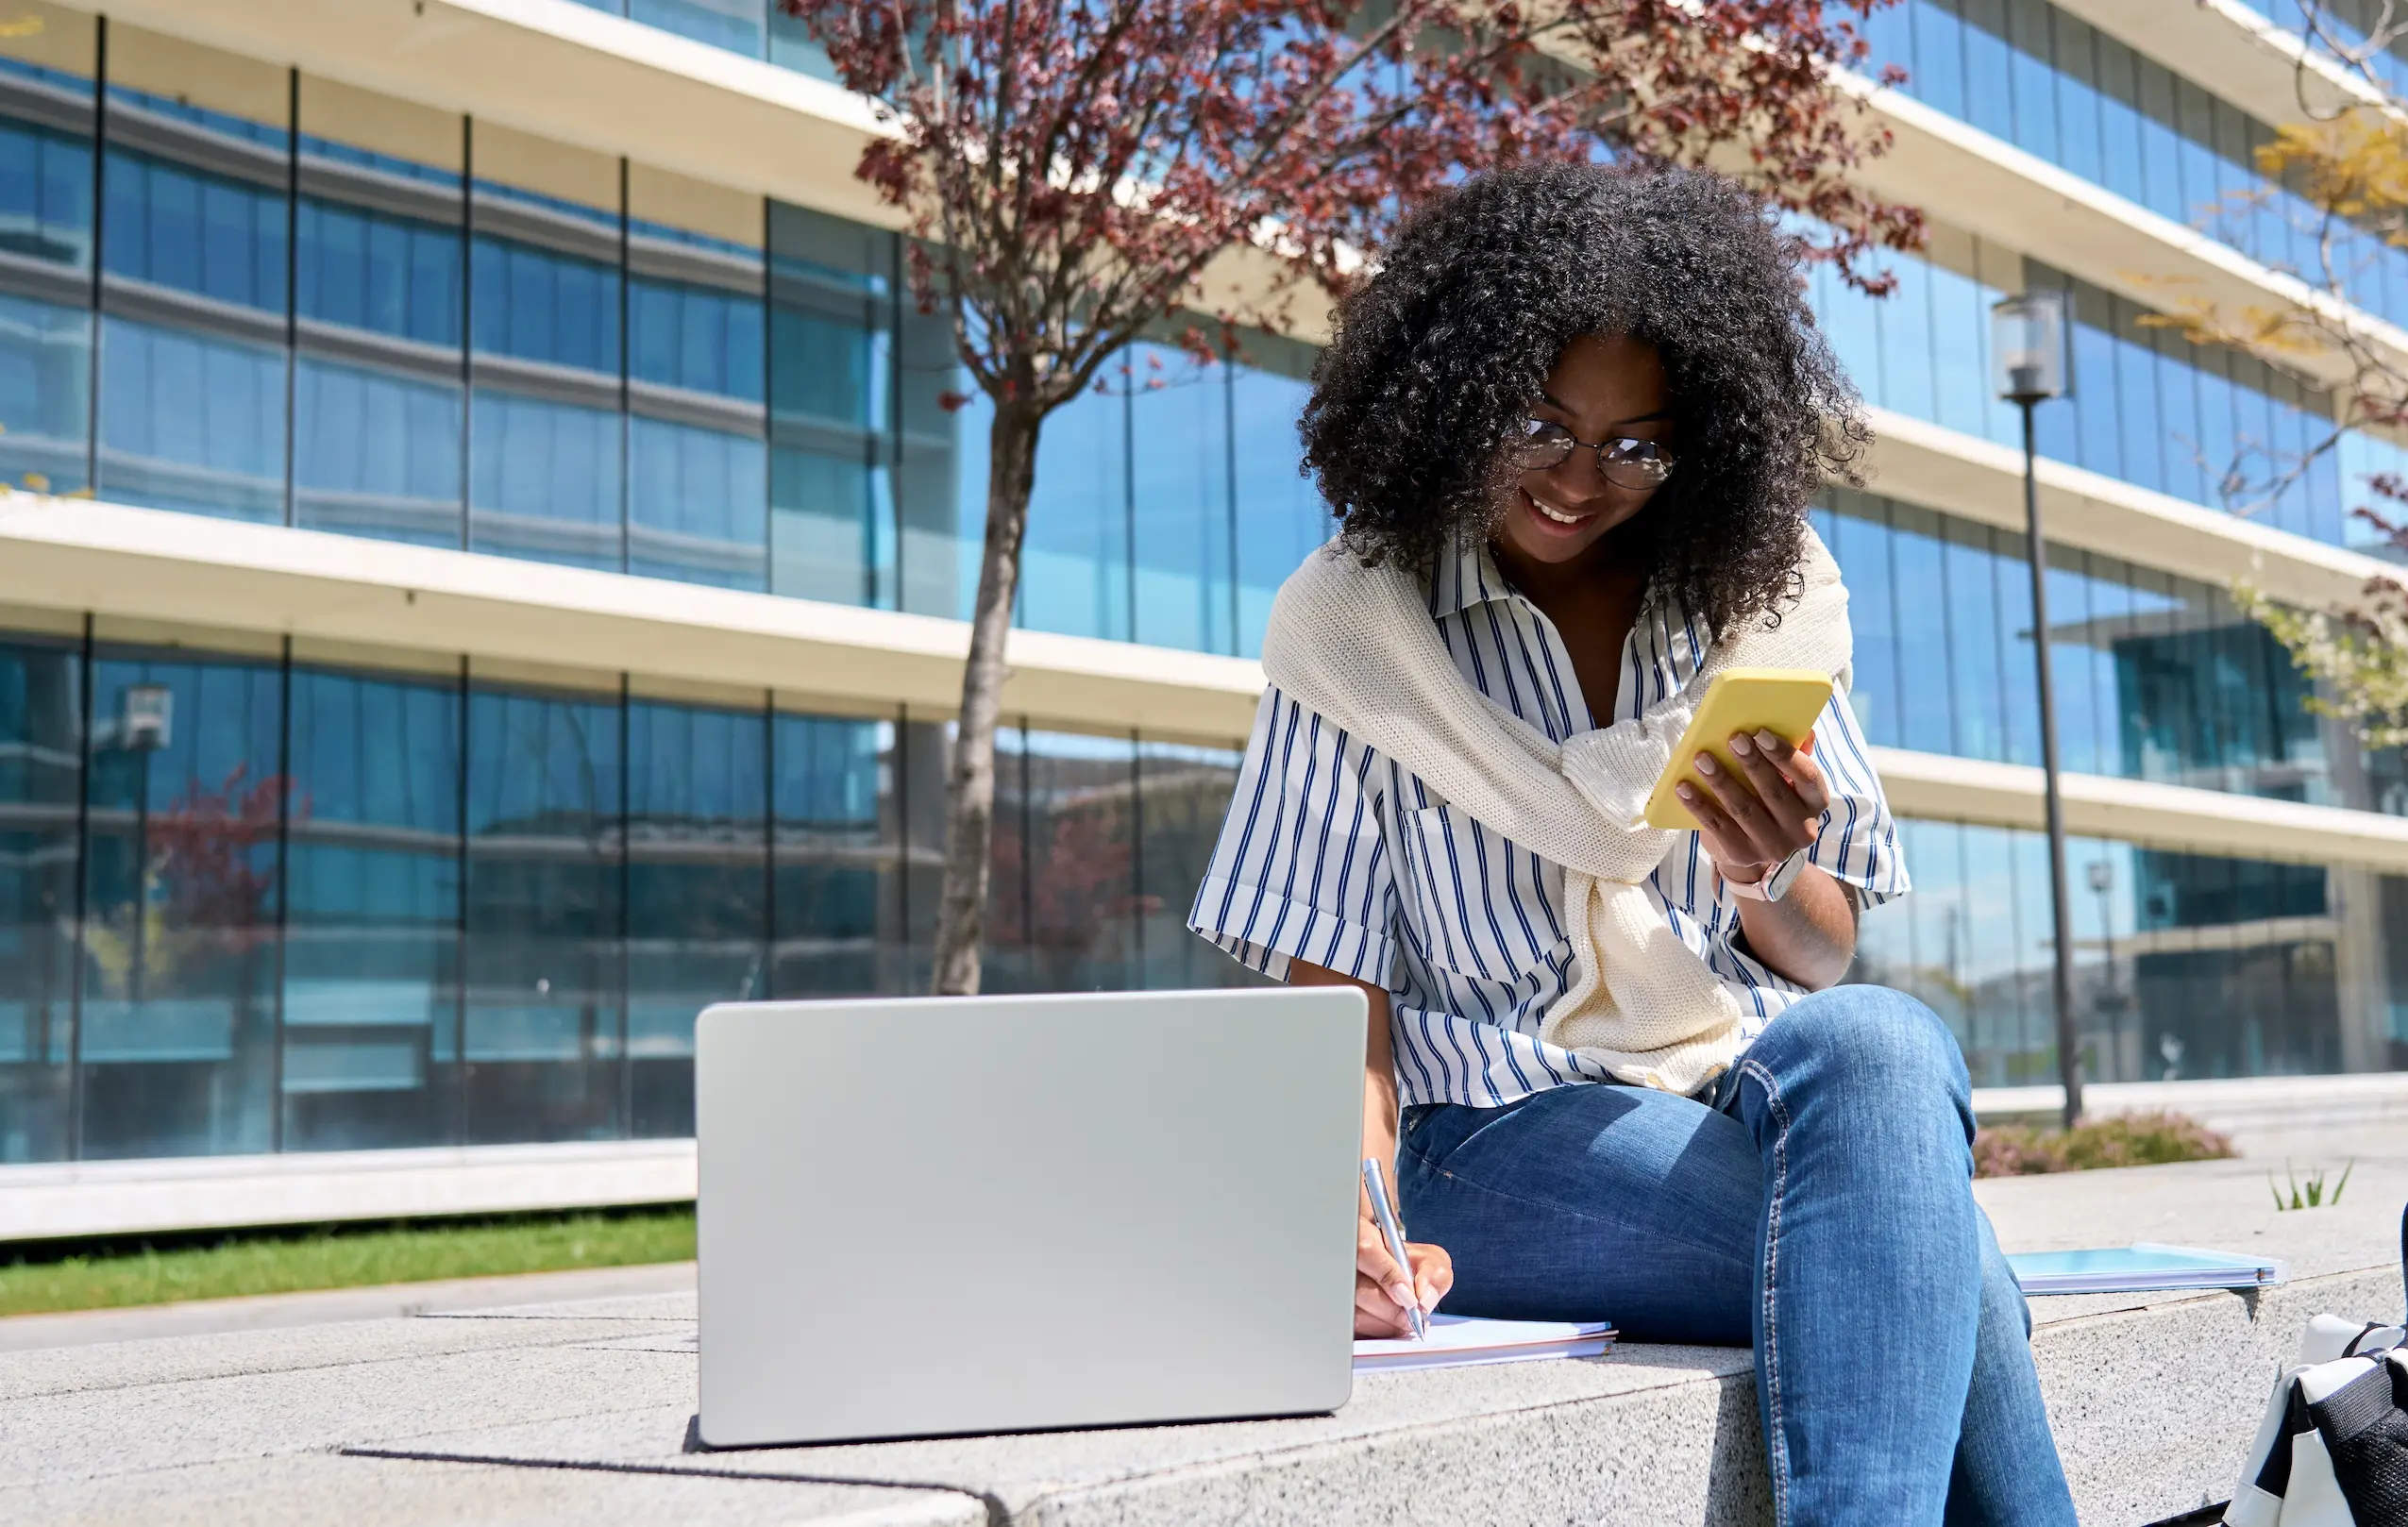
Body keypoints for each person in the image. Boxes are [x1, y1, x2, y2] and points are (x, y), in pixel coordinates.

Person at [1187, 162, 2077, 1527]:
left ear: (1698, 441)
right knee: (1931, 1260)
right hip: (1488, 1135)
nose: (1577, 479)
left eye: (1634, 443)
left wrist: (1760, 869)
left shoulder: (1754, 604)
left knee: (1887, 1041)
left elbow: (1820, 951)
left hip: (1730, 1081)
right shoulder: (1355, 629)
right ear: (1452, 390)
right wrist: (1351, 1216)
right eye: (1537, 422)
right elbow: (1338, 1002)